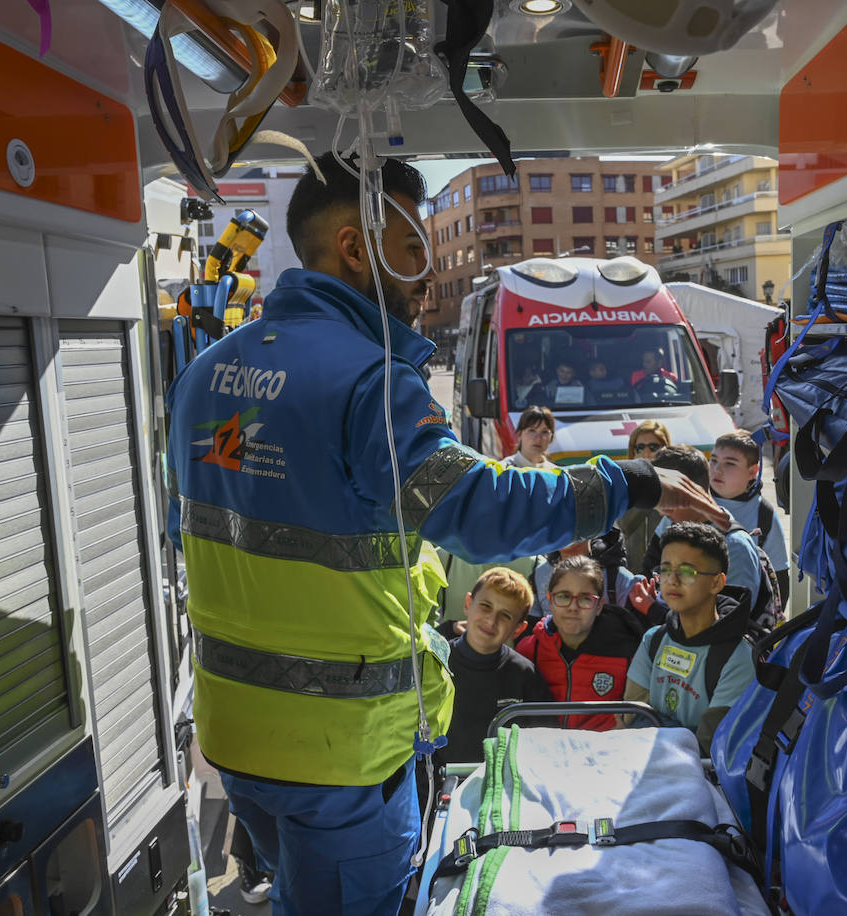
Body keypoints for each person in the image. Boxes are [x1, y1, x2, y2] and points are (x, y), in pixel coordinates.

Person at [165, 151, 729, 916]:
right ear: (355, 248)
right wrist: (633, 480)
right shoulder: (370, 381)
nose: (425, 275)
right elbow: (482, 509)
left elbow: (198, 538)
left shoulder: (205, 372)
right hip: (339, 752)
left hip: (235, 738)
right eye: (411, 250)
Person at [624, 522, 755, 754]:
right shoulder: (653, 640)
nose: (672, 580)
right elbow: (630, 717)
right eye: (665, 570)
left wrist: (655, 728)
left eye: (687, 571)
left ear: (717, 582)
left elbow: (708, 745)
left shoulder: (737, 657)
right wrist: (682, 733)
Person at [516, 555, 644, 731]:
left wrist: (628, 730)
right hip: (546, 749)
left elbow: (642, 711)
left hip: (606, 749)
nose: (573, 607)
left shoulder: (627, 650)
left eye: (585, 599)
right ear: (550, 600)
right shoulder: (530, 649)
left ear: (599, 606)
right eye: (563, 596)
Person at [441, 568, 552, 764]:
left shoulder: (526, 675)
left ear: (518, 629)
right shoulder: (435, 664)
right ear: (468, 604)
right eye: (485, 606)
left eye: (506, 616)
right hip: (438, 786)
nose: (491, 621)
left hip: (503, 787)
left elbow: (542, 745)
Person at [643, 445, 762, 615]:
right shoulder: (670, 521)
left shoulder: (735, 547)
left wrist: (654, 610)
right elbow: (648, 570)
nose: (662, 510)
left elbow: (732, 622)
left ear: (694, 491)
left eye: (669, 498)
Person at [709, 429, 790, 592]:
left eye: (730, 463)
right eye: (714, 460)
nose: (717, 469)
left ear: (753, 472)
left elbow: (779, 578)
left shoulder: (764, 514)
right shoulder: (692, 501)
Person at [617, 421, 671, 572]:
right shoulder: (622, 487)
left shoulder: (675, 491)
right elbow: (622, 529)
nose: (646, 453)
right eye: (639, 448)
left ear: (666, 449)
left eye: (653, 447)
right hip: (629, 574)